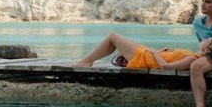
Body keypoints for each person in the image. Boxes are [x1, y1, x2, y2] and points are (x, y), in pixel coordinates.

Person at [73, 32, 202, 70]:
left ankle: (86, 61)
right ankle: (87, 60)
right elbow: (170, 60)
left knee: (112, 36)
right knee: (121, 38)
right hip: (149, 54)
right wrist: (162, 52)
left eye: (209, 41)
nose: (205, 41)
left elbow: (165, 66)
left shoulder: (191, 59)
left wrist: (155, 53)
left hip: (145, 59)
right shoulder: (195, 55)